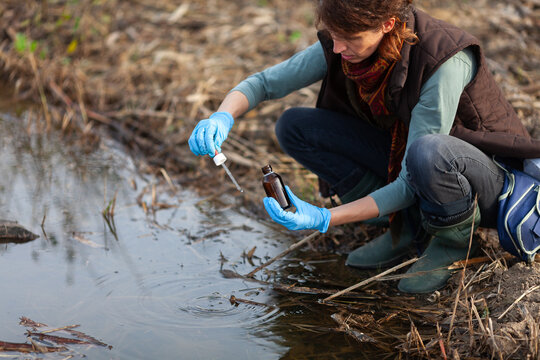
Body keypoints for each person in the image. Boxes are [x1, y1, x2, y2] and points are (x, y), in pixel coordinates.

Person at [188, 0, 540, 293]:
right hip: (420, 165)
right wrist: (221, 116)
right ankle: (404, 223)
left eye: (349, 39)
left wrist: (326, 218)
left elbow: (412, 176)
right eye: (334, 37)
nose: (338, 49)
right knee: (296, 127)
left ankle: (453, 241)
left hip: (484, 181)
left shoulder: (444, 59)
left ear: (387, 24)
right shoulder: (346, 41)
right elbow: (265, 84)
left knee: (427, 152)